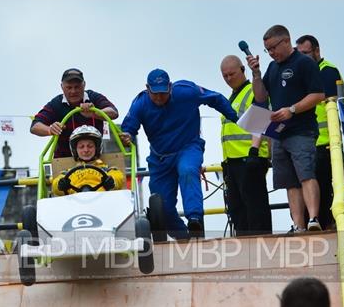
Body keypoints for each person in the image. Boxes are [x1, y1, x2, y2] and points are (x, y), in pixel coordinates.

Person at [120, 68, 240, 239]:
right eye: (155, 94)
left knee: (188, 170)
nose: (160, 98)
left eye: (164, 93)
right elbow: (128, 128)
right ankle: (186, 238)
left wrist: (236, 118)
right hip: (160, 157)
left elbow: (215, 98)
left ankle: (194, 219)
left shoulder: (186, 91)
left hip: (188, 147)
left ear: (170, 87)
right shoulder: (140, 104)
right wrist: (128, 136)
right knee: (162, 208)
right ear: (147, 89)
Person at [247, 25, 325, 234]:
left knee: (306, 175)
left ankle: (313, 218)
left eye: (273, 47)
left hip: (301, 129)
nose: (271, 53)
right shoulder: (272, 68)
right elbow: (261, 97)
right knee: (289, 182)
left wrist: (292, 109)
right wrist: (255, 74)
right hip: (278, 133)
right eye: (267, 49)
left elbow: (318, 95)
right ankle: (298, 224)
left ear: (286, 41)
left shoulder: (304, 63)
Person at [296, 34, 344, 231]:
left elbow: (335, 107)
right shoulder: (305, 73)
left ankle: (327, 227)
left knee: (326, 191)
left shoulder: (327, 71)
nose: (301, 57)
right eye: (298, 54)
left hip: (327, 143)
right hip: (308, 142)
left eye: (305, 53)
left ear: (317, 51)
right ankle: (307, 226)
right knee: (306, 188)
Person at [219, 55, 273, 236]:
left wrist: (254, 152)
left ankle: (262, 244)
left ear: (242, 70)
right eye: (224, 75)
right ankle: (244, 247)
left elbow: (262, 116)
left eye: (231, 74)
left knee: (255, 207)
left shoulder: (252, 91)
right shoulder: (232, 97)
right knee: (237, 210)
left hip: (250, 158)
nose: (228, 79)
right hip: (233, 161)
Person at [30, 68, 119, 159]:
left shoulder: (94, 97)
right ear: (62, 87)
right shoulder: (56, 104)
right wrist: (50, 129)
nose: (73, 91)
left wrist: (94, 113)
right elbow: (35, 126)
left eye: (77, 87)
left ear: (84, 85)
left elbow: (114, 112)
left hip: (96, 160)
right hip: (64, 161)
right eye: (69, 87)